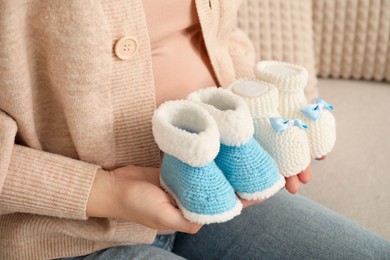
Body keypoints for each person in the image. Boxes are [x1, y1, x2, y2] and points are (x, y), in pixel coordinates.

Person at [0, 0, 389, 259]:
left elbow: (218, 36)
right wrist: (105, 192)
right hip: (67, 235)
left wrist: (253, 117)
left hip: (220, 184)